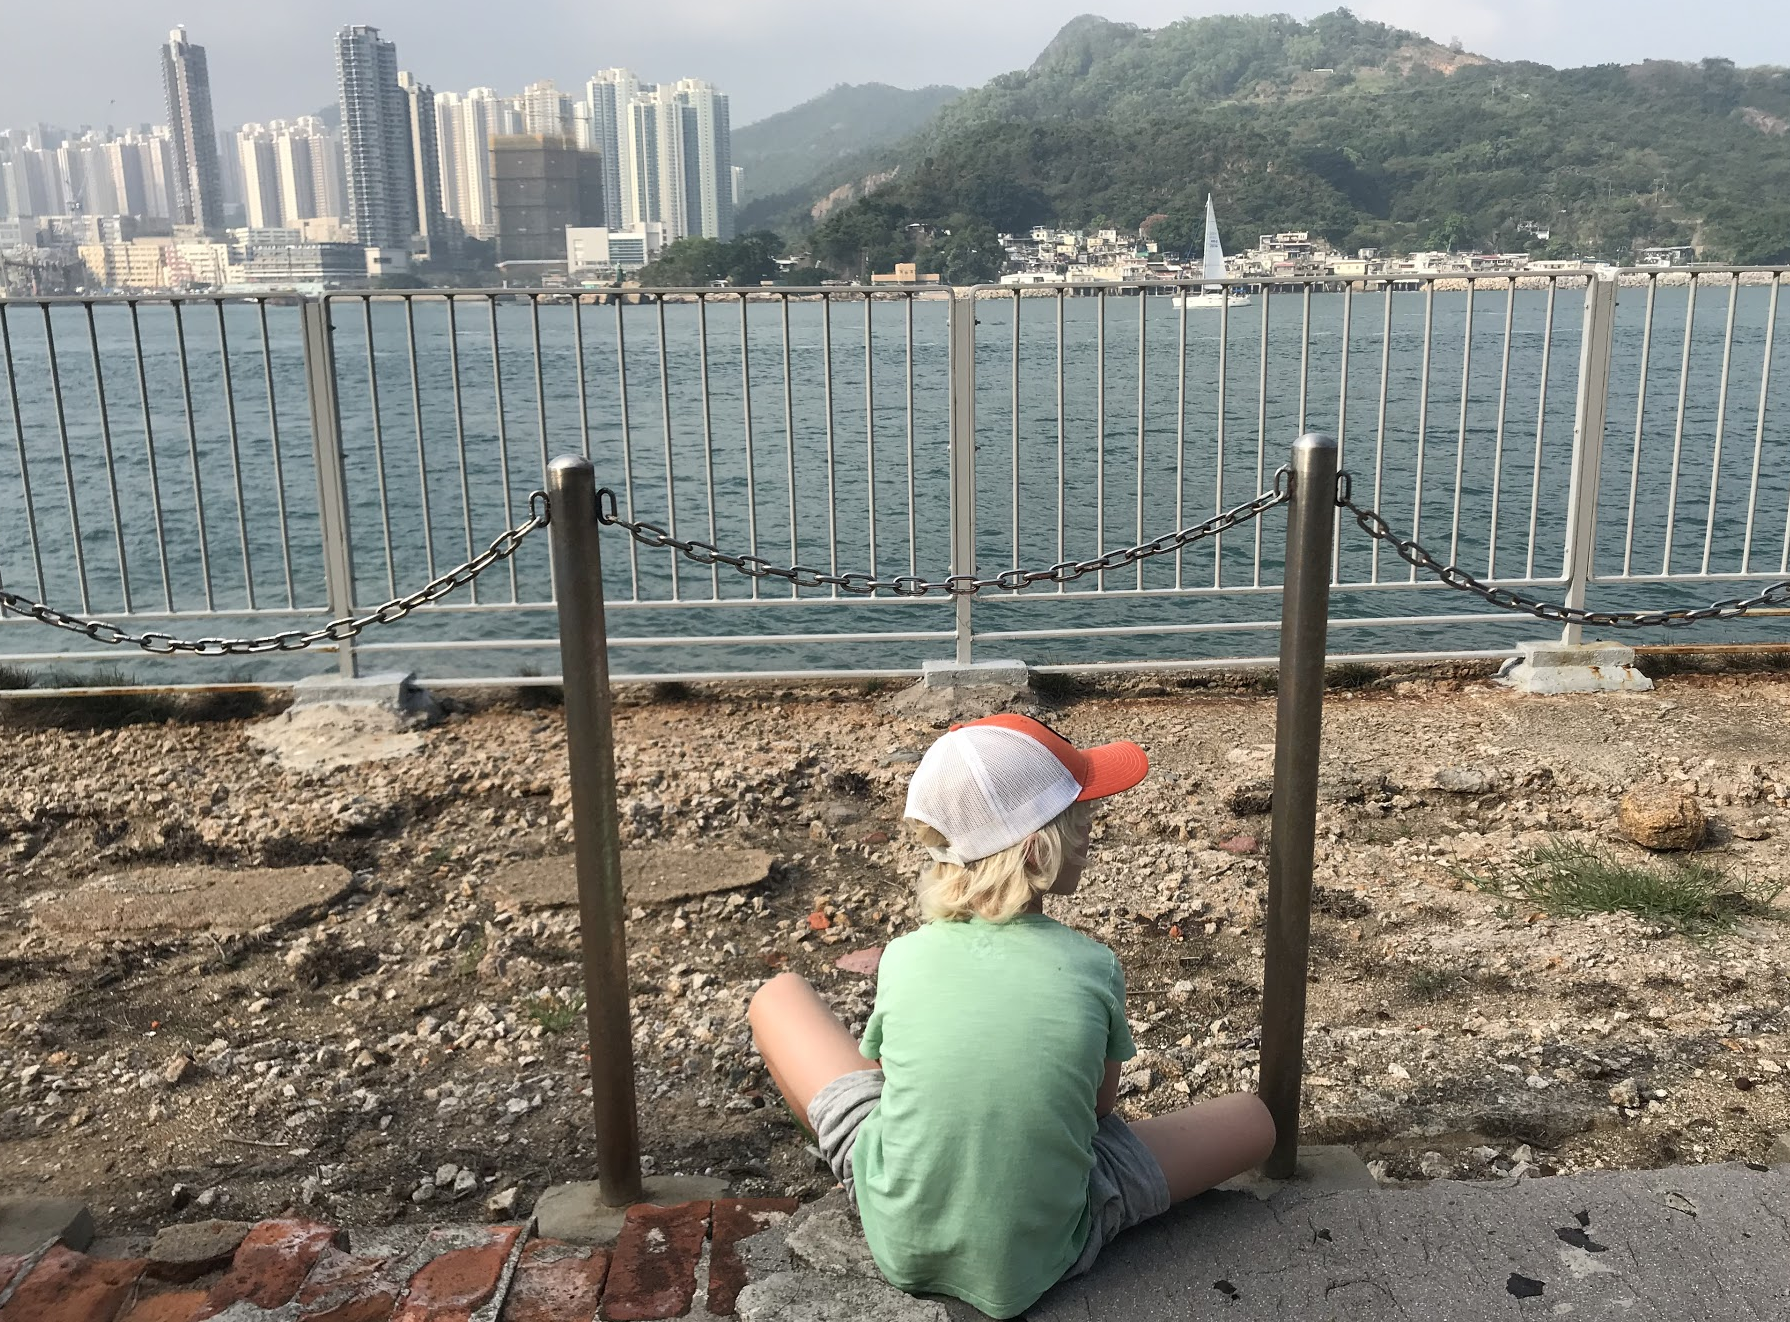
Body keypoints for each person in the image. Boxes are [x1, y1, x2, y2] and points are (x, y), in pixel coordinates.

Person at [748, 713, 1276, 1319]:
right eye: (1080, 820)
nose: (1091, 835)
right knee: (1253, 1121)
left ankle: (902, 1182)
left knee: (780, 995)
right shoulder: (1091, 963)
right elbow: (1099, 1114)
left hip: (899, 1236)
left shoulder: (904, 956)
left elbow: (884, 1074)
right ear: (1034, 849)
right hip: (1052, 1247)